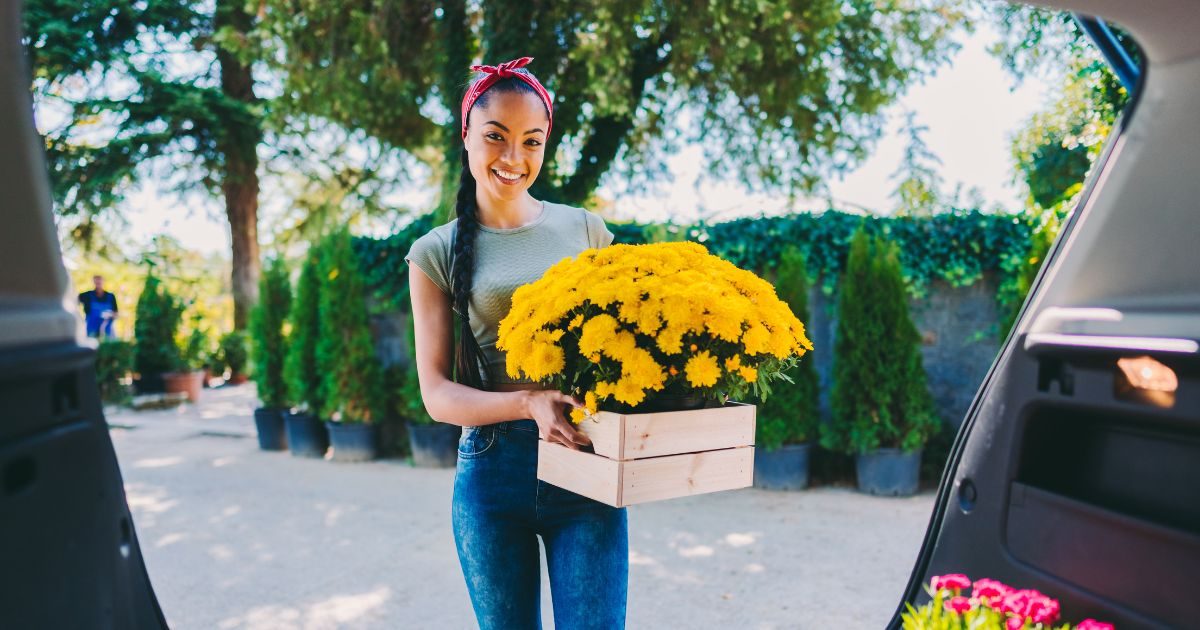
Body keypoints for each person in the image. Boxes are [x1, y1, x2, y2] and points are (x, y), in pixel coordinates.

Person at [405, 57, 627, 629]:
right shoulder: (434, 251)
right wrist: (528, 402)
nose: (513, 158)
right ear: (466, 136)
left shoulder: (586, 231)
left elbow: (624, 351)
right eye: (495, 138)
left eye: (531, 141)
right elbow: (436, 394)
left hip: (584, 465)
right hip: (491, 473)